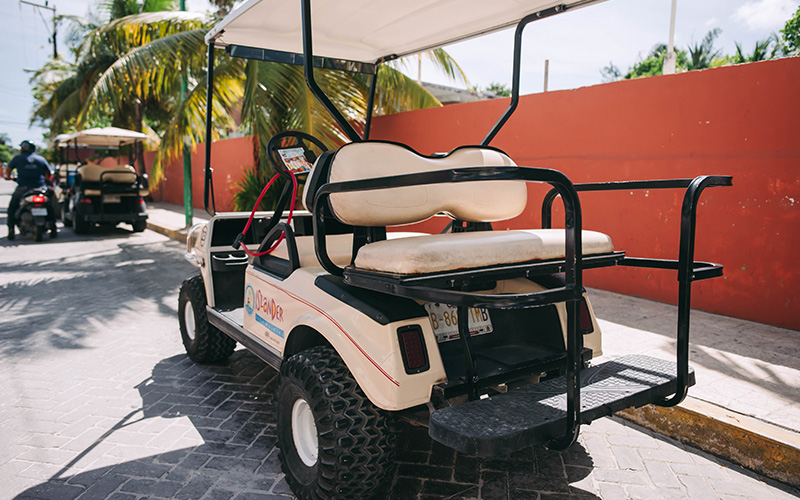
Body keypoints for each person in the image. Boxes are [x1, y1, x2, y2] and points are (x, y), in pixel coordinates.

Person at [6, 140, 56, 240]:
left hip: (23, 189)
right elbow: (48, 173)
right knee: (49, 206)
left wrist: (9, 177)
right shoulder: (40, 159)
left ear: (24, 148)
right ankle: (53, 228)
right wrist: (45, 179)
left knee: (12, 208)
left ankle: (11, 229)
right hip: (40, 188)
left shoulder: (18, 158)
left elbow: (8, 170)